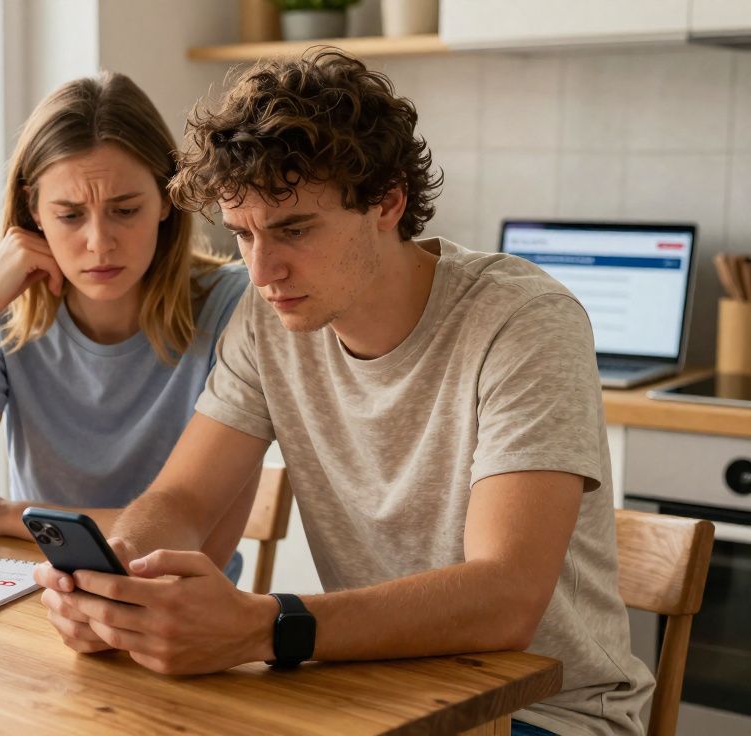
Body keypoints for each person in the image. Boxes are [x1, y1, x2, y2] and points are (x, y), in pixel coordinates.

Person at [33, 51, 654, 736]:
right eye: (242, 235)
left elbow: (504, 598)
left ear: (387, 201)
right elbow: (182, 499)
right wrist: (119, 579)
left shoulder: (523, 321)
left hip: (542, 712)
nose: (263, 270)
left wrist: (263, 627)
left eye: (294, 228)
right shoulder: (268, 321)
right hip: (371, 696)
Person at [0, 71, 254, 580]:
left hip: (174, 616)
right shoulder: (3, 312)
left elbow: (197, 549)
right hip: (35, 597)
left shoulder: (233, 308)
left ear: (166, 198)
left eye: (125, 210)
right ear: (33, 210)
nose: (99, 242)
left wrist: (7, 514)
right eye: (69, 215)